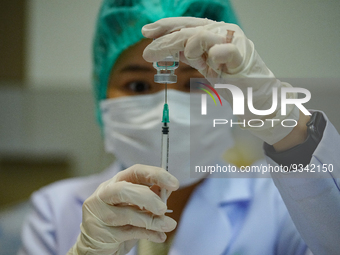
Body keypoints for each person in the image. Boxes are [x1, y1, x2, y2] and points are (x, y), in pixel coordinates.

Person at [19, 0, 340, 255]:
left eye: (194, 84)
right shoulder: (54, 210)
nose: (166, 111)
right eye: (139, 87)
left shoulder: (279, 203)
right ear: (101, 92)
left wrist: (283, 119)